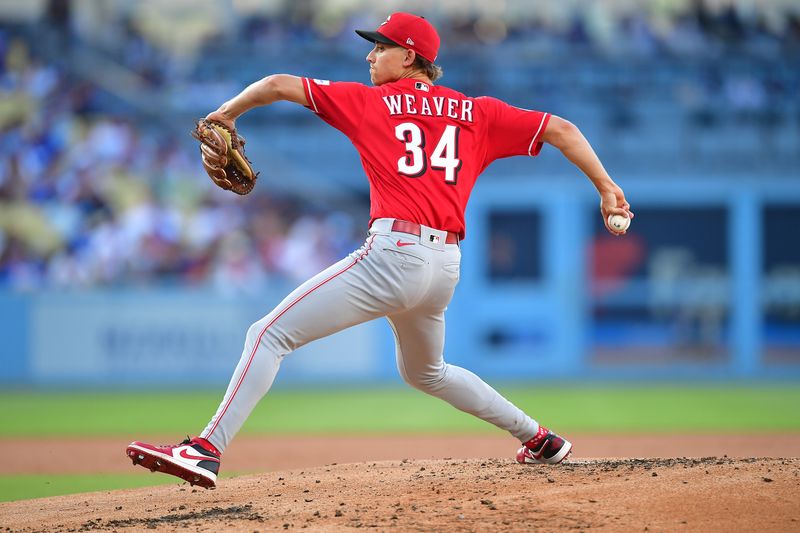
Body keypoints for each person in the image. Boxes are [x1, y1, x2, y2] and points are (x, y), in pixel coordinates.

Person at [126, 12, 633, 488]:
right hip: (445, 267)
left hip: (394, 254)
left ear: (409, 57)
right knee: (426, 372)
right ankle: (540, 439)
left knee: (268, 335)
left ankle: (206, 449)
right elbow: (562, 129)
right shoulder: (479, 113)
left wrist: (225, 113)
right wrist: (606, 187)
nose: (370, 57)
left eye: (381, 47)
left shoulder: (371, 102)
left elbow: (279, 84)